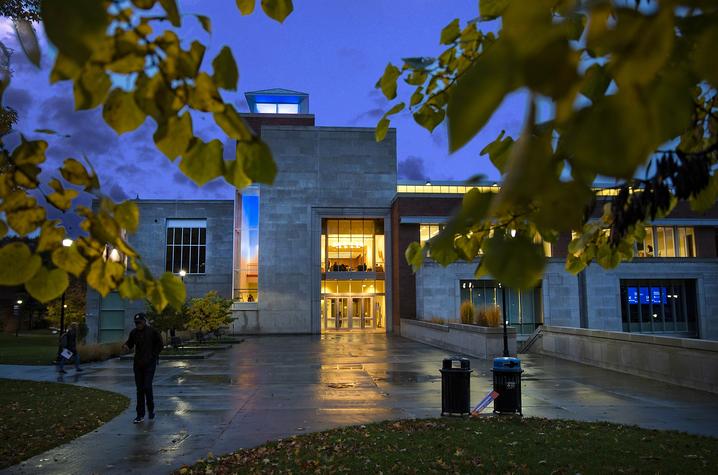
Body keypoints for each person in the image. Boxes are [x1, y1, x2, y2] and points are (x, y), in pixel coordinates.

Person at [122, 313, 163, 423]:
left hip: (150, 364)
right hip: (138, 364)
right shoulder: (134, 333)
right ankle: (140, 415)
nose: (138, 325)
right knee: (139, 389)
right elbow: (129, 343)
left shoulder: (152, 331)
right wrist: (125, 346)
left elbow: (160, 344)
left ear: (144, 321)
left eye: (140, 322)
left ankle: (151, 410)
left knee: (147, 387)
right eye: (136, 323)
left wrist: (153, 355)